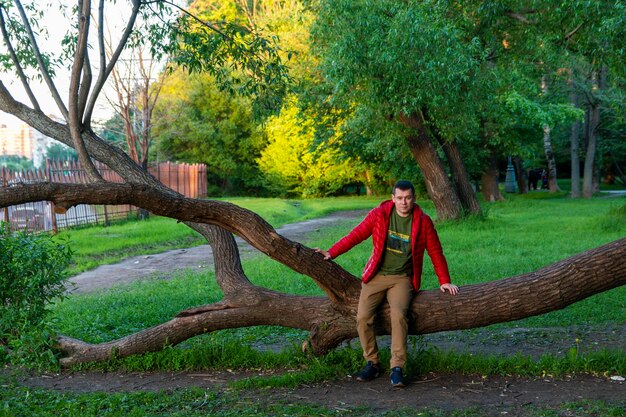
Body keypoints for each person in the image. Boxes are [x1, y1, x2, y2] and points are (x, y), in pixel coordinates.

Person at [316, 180, 459, 388]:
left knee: (398, 315)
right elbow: (356, 235)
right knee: (363, 316)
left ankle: (397, 367)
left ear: (414, 198)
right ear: (393, 198)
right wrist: (331, 252)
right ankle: (372, 363)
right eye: (400, 198)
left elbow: (436, 252)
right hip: (376, 276)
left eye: (408, 198)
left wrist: (444, 281)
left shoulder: (423, 221)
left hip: (402, 278)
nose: (404, 202)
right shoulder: (380, 215)